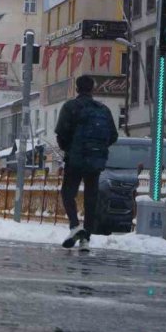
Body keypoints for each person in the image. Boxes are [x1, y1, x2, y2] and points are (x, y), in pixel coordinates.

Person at [54, 75, 118, 253]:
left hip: (75, 159)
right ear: (92, 89)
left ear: (77, 88)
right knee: (91, 198)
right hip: (95, 161)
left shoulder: (70, 107)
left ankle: (75, 226)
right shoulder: (103, 110)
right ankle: (86, 239)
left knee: (68, 193)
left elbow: (61, 134)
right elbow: (113, 135)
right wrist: (97, 149)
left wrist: (70, 149)